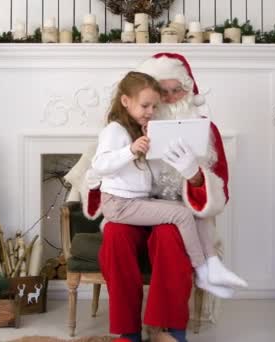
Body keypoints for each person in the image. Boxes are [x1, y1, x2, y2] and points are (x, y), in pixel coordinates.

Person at [81, 53, 240, 342]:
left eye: (174, 90)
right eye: (160, 92)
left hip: (175, 213)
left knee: (169, 235)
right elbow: (97, 170)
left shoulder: (206, 132)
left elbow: (221, 191)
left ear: (189, 93)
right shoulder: (127, 128)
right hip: (132, 208)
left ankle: (169, 329)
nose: (166, 99)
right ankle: (127, 332)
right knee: (115, 235)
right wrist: (94, 180)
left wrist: (193, 174)